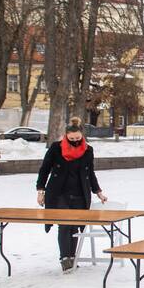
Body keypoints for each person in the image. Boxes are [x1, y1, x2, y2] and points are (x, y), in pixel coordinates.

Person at [36, 117, 107, 273]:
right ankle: (65, 258)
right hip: (59, 193)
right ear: (66, 136)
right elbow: (45, 169)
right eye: (72, 138)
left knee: (75, 225)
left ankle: (73, 256)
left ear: (82, 135)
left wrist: (98, 192)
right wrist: (40, 190)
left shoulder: (88, 150)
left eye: (77, 138)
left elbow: (90, 173)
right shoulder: (56, 148)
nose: (75, 141)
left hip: (80, 193)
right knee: (64, 224)